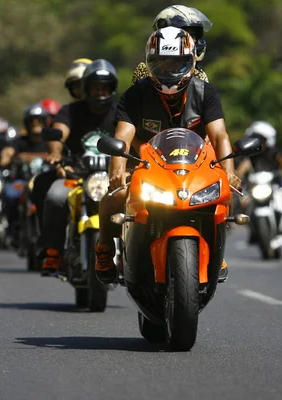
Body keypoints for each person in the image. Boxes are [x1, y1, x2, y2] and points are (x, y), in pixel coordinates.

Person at [94, 27, 240, 284]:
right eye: (162, 62)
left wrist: (230, 172)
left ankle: (215, 248)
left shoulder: (206, 92)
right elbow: (122, 139)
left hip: (195, 168)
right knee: (112, 197)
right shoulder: (134, 95)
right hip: (145, 167)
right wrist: (116, 172)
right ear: (150, 63)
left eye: (178, 62)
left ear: (191, 62)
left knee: (222, 193)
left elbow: (219, 137)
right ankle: (105, 248)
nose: (170, 70)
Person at [39, 59, 119, 276]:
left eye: (105, 87)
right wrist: (56, 153)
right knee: (56, 196)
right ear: (86, 88)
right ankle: (53, 252)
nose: (100, 92)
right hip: (76, 173)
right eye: (95, 87)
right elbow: (59, 132)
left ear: (112, 89)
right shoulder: (70, 111)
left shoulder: (121, 112)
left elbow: (132, 137)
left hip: (114, 177)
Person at [235, 121, 282, 241]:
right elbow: (241, 171)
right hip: (255, 188)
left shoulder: (274, 153)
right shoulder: (249, 156)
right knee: (243, 205)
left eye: (261, 139)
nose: (258, 142)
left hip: (276, 186)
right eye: (255, 139)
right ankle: (252, 230)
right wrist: (236, 179)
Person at [131, 5, 212, 85]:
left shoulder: (199, 75)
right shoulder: (146, 70)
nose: (191, 40)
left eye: (192, 35)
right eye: (184, 35)